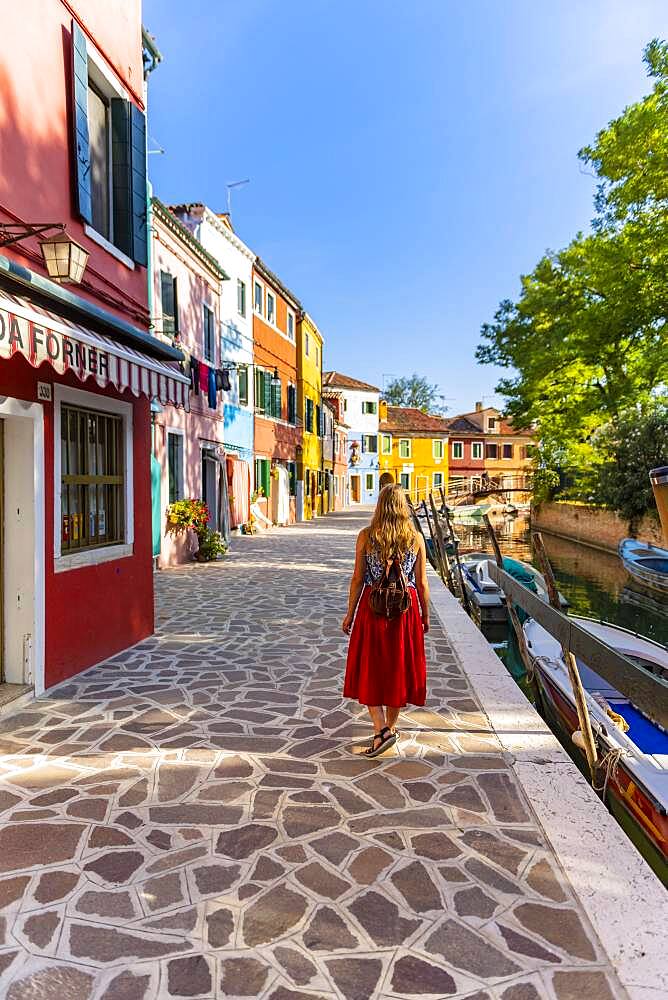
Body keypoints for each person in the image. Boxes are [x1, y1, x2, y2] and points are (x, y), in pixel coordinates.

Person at [342, 484, 429, 757]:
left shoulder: (367, 536)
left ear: (379, 507)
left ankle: (380, 730)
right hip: (406, 610)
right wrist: (425, 615)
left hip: (373, 607)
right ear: (403, 508)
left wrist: (350, 613)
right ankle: (389, 729)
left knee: (371, 667)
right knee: (397, 669)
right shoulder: (415, 538)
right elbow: (422, 583)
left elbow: (358, 579)